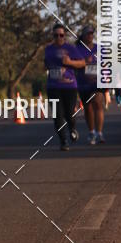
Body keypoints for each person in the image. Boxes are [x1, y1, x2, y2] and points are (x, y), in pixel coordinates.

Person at [44, 22, 85, 150]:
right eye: (56, 35)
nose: (58, 38)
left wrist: (70, 62)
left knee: (69, 114)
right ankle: (63, 141)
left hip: (69, 86)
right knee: (57, 115)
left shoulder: (71, 48)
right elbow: (46, 64)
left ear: (64, 36)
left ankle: (72, 128)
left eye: (61, 35)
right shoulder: (48, 49)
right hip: (53, 86)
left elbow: (82, 63)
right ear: (53, 36)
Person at [75, 26, 105, 144]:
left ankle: (99, 133)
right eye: (88, 33)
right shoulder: (77, 49)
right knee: (88, 108)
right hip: (83, 83)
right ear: (83, 35)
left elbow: (106, 64)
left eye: (92, 33)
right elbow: (73, 64)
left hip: (97, 82)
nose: (90, 35)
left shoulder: (100, 49)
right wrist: (83, 63)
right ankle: (92, 132)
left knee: (98, 103)